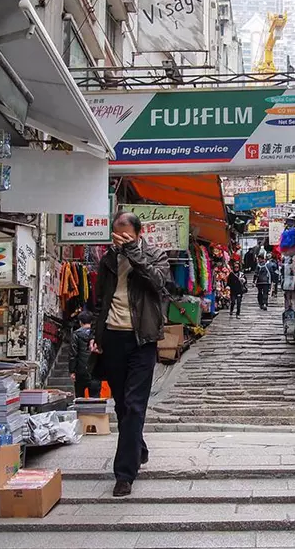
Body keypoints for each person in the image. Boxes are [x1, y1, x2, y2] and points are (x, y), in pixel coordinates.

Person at [90, 212, 169, 498]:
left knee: (135, 406)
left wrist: (134, 253)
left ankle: (124, 474)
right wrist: (95, 337)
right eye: (116, 234)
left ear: (138, 233)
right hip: (112, 337)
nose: (120, 239)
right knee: (122, 405)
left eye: (126, 234)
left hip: (142, 339)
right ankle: (139, 447)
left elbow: (159, 283)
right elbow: (100, 301)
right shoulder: (108, 259)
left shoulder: (155, 254)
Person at [68, 311, 100, 398]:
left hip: (80, 370)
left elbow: (73, 354)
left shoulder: (76, 335)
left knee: (79, 398)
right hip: (95, 370)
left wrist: (72, 371)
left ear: (80, 322)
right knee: (95, 399)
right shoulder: (97, 335)